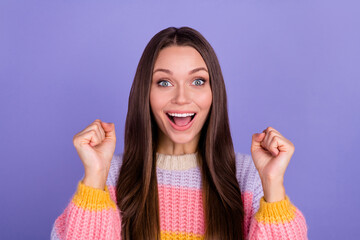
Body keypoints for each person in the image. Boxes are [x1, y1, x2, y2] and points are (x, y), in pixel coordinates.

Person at [51, 26, 308, 240]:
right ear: (146, 94)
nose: (182, 98)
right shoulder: (108, 179)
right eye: (164, 82)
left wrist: (273, 184)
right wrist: (96, 176)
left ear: (213, 92)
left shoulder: (248, 178)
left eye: (198, 81)